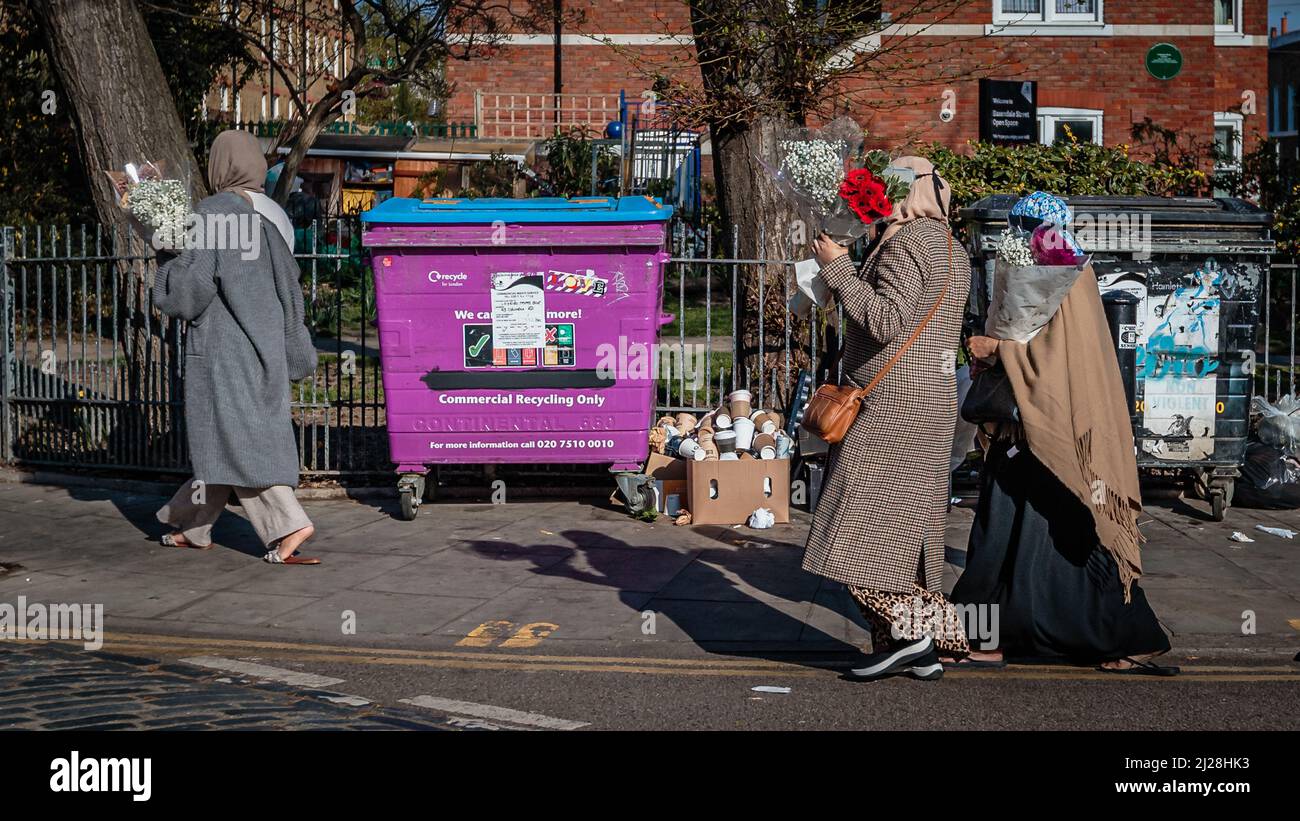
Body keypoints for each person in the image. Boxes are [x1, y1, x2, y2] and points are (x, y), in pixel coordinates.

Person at [953, 193, 1177, 676]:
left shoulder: (1070, 274)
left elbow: (1057, 363)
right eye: (1019, 227)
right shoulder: (1044, 270)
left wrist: (997, 349)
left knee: (1057, 535)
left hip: (1053, 430)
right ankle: (992, 637)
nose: (1023, 237)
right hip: (1026, 429)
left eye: (1030, 226)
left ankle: (1137, 636)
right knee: (1012, 537)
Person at [802, 156, 973, 681]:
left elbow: (885, 319)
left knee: (855, 528)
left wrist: (837, 266)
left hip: (891, 403)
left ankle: (921, 633)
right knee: (905, 533)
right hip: (933, 400)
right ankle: (911, 648)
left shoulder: (905, 242)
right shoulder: (952, 246)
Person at [152, 130, 321, 565]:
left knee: (240, 445)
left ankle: (289, 524)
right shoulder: (266, 221)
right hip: (265, 352)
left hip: (224, 356)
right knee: (225, 442)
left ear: (218, 165)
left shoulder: (211, 216)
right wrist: (294, 349)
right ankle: (193, 527)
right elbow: (291, 291)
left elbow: (185, 297)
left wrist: (166, 254)